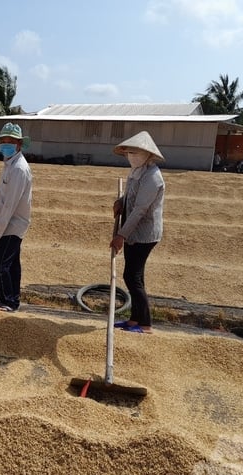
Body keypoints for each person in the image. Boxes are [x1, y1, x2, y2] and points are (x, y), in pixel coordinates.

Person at [110, 131, 165, 334]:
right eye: (129, 153)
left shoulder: (152, 177)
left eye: (136, 152)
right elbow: (131, 196)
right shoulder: (136, 171)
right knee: (135, 276)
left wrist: (120, 236)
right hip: (133, 231)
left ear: (148, 154)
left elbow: (141, 209)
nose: (132, 156)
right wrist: (121, 201)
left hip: (145, 233)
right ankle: (135, 319)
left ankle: (146, 324)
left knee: (132, 276)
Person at [0, 122, 33, 312]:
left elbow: (10, 205)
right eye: (3, 141)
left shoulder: (19, 169)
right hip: (7, 223)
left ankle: (7, 301)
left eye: (10, 141)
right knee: (11, 263)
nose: (5, 144)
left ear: (19, 144)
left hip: (12, 225)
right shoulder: (9, 164)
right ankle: (13, 300)